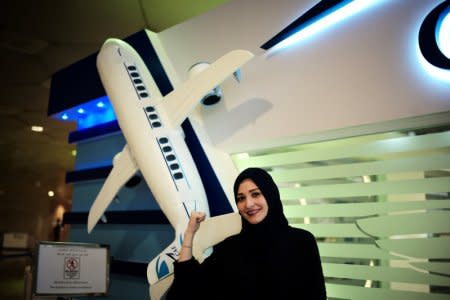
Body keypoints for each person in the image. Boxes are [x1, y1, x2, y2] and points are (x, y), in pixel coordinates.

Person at [166, 167, 326, 299]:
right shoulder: (230, 248)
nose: (248, 204)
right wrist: (189, 233)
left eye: (256, 194)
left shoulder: (302, 241)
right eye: (241, 198)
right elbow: (187, 287)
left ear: (270, 195)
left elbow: (316, 295)